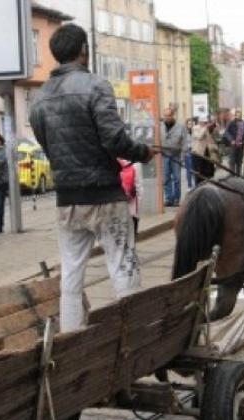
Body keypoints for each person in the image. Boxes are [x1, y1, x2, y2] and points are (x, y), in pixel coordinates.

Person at [28, 23, 154, 331]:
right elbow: (114, 140)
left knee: (71, 274)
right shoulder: (96, 86)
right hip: (104, 196)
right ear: (84, 50)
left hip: (67, 200)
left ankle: (71, 339)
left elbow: (47, 145)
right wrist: (142, 153)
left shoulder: (40, 97)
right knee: (122, 264)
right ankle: (133, 335)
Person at [160, 107, 188, 206]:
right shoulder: (161, 126)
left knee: (176, 178)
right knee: (166, 178)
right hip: (164, 155)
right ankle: (168, 199)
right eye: (165, 116)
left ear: (172, 116)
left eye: (168, 116)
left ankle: (176, 199)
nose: (167, 118)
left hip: (176, 155)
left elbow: (185, 141)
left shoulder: (180, 127)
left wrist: (184, 154)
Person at [118, 158, 142, 236]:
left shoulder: (114, 160)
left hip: (117, 205)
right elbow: (139, 189)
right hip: (132, 207)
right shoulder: (136, 163)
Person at [224, 109, 244, 175]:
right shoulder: (231, 123)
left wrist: (243, 142)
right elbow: (226, 133)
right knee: (232, 162)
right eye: (237, 115)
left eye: (239, 115)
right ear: (235, 115)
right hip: (233, 146)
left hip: (241, 146)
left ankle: (238, 177)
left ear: (241, 116)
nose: (238, 116)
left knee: (239, 163)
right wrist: (231, 140)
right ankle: (231, 177)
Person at [184, 118, 196, 189]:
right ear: (186, 125)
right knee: (189, 170)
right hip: (188, 152)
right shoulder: (185, 133)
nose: (190, 125)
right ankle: (189, 186)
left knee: (194, 169)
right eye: (189, 124)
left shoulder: (194, 132)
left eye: (191, 124)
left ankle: (195, 185)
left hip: (194, 152)